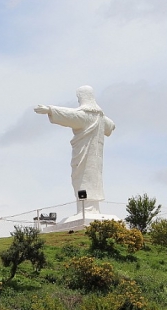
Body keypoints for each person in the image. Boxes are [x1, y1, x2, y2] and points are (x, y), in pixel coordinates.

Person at [34, 85, 115, 214]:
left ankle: (86, 211)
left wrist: (50, 109)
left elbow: (69, 115)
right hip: (95, 158)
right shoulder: (100, 117)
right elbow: (111, 126)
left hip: (84, 156)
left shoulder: (85, 115)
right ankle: (91, 210)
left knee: (83, 179)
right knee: (91, 180)